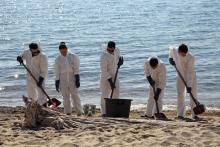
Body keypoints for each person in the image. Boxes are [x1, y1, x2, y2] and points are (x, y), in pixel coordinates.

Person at [169, 44, 199, 120]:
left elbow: (190, 72)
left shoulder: (191, 58)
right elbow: (171, 50)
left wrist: (189, 86)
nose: (183, 55)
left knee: (193, 95)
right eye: (182, 54)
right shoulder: (175, 50)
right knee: (180, 95)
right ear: (178, 51)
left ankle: (194, 114)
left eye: (185, 54)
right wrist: (170, 58)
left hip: (191, 77)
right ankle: (180, 114)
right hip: (180, 75)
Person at [54, 42, 83, 116]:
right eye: (61, 52)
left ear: (67, 49)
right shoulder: (58, 59)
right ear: (59, 51)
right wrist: (57, 82)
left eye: (64, 51)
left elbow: (76, 68)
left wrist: (77, 78)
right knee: (65, 97)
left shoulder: (73, 56)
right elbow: (56, 71)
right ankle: (68, 112)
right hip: (62, 78)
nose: (63, 53)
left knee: (75, 95)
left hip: (72, 77)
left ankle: (79, 111)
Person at [100, 41, 124, 116]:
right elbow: (104, 70)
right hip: (106, 76)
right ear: (107, 47)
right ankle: (104, 112)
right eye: (108, 50)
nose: (110, 51)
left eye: (111, 50)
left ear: (114, 48)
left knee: (116, 92)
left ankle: (113, 110)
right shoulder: (103, 56)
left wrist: (120, 63)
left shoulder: (117, 50)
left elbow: (119, 59)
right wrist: (110, 82)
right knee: (105, 94)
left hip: (115, 74)